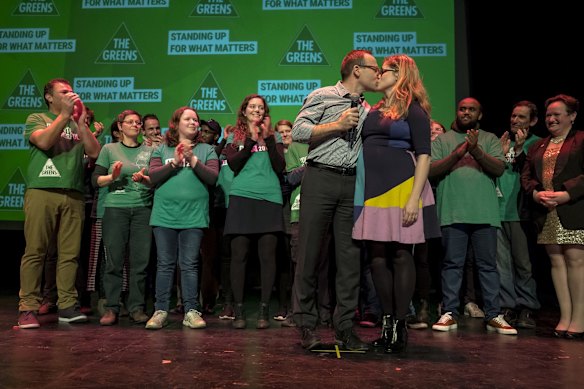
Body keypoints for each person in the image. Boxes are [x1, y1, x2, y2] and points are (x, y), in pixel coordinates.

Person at [352, 54, 440, 353]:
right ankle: (387, 324)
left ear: (399, 75)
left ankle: (401, 327)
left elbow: (425, 155)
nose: (378, 75)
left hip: (404, 189)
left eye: (384, 70)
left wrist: (414, 199)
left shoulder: (414, 111)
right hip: (374, 191)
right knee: (376, 256)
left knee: (402, 255)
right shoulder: (373, 111)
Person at [291, 49, 379, 351]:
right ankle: (306, 323)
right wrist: (337, 125)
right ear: (356, 70)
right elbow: (298, 131)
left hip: (352, 182)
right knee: (310, 253)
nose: (377, 74)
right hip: (320, 178)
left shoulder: (370, 108)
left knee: (350, 257)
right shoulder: (323, 95)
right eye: (373, 68)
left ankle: (344, 328)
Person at [430, 97, 517, 335]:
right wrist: (459, 152)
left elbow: (498, 168)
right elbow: (431, 170)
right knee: (452, 264)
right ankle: (449, 312)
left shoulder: (488, 139)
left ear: (480, 115)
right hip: (452, 211)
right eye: (462, 108)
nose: (466, 112)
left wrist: (475, 149)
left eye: (472, 109)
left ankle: (493, 314)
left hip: (485, 213)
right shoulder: (444, 140)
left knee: (488, 266)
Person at [18, 78, 100, 328]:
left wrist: (81, 122)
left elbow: (94, 152)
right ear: (49, 97)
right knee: (36, 251)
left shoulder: (76, 123)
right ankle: (28, 307)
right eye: (64, 92)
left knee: (70, 254)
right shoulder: (37, 118)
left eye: (72, 92)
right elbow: (43, 142)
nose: (70, 95)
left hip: (73, 193)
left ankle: (67, 305)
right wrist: (65, 116)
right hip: (42, 189)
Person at [144, 107, 219, 330]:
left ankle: (191, 311)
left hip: (194, 216)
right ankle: (160, 311)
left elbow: (213, 178)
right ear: (176, 123)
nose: (193, 122)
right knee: (165, 264)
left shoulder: (207, 150)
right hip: (165, 215)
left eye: (195, 120)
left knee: (189, 264)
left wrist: (192, 159)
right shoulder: (161, 150)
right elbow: (154, 176)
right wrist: (175, 162)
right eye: (188, 119)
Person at [521, 94, 584, 339]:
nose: (551, 118)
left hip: (573, 209)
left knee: (576, 262)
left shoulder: (581, 140)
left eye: (557, 114)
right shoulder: (538, 145)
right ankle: (565, 317)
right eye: (548, 115)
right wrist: (536, 194)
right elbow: (527, 176)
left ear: (572, 116)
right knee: (557, 263)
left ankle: (579, 319)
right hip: (547, 212)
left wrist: (566, 194)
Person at [222, 94, 286, 329]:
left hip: (269, 197)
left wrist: (268, 138)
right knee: (239, 255)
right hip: (242, 197)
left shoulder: (275, 136)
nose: (257, 110)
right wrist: (250, 140)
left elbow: (280, 167)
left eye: (261, 107)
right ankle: (238, 311)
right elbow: (235, 164)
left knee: (268, 257)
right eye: (252, 106)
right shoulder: (233, 136)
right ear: (244, 111)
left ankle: (263, 310)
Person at [93, 110, 155, 326]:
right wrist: (113, 177)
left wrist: (146, 179)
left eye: (138, 123)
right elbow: (96, 180)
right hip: (115, 209)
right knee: (114, 261)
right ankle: (112, 307)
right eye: (130, 122)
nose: (135, 125)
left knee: (140, 262)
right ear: (120, 126)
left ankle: (137, 307)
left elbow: (156, 181)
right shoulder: (109, 149)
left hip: (142, 209)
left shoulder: (150, 150)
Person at [496, 101, 541, 328]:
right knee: (502, 264)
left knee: (524, 263)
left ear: (532, 121)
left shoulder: (538, 144)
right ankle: (508, 306)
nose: (515, 121)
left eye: (521, 117)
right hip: (498, 211)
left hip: (520, 213)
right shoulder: (503, 142)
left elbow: (531, 174)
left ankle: (527, 307)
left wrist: (521, 150)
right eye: (513, 116)